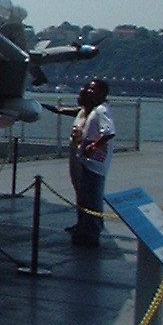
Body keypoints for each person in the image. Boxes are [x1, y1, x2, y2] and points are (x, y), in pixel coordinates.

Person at [68, 79, 115, 247]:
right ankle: (85, 228)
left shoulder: (101, 110)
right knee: (86, 197)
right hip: (88, 162)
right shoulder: (96, 110)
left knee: (92, 198)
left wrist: (93, 146)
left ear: (102, 92)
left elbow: (109, 132)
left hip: (95, 164)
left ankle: (91, 233)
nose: (90, 92)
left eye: (93, 89)